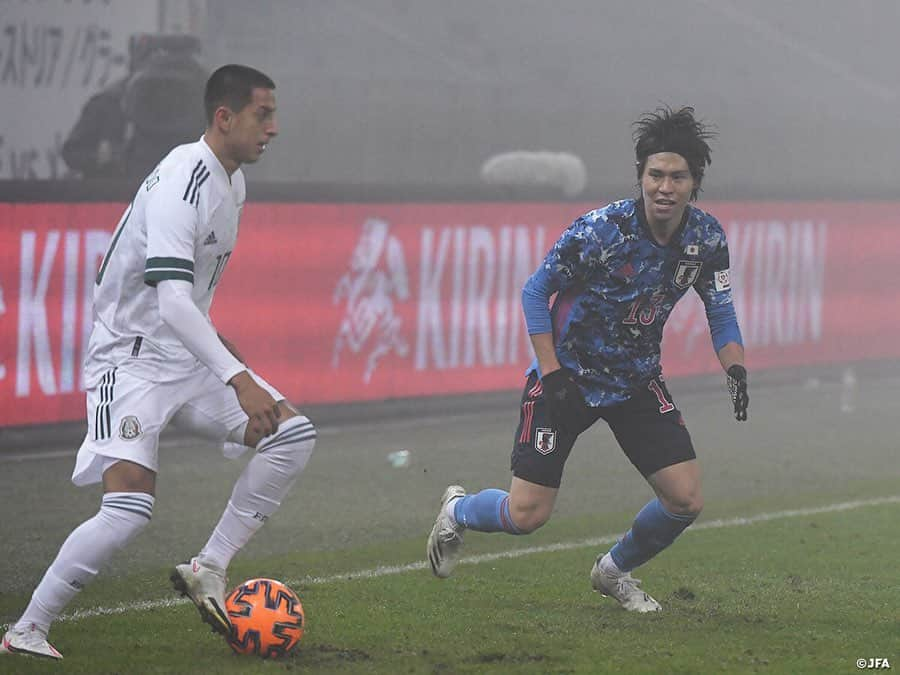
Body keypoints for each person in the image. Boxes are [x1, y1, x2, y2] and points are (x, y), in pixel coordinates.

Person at [2, 65, 316, 660]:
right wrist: (238, 376)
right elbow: (169, 298)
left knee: (292, 434)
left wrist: (224, 351)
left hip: (181, 354)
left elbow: (188, 297)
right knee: (127, 508)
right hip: (130, 361)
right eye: (262, 114)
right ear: (224, 118)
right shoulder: (181, 181)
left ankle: (209, 566)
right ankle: (26, 631)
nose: (273, 127)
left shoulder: (232, 181)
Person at [427, 106, 749, 613]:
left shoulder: (706, 240)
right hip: (567, 381)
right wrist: (550, 373)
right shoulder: (601, 230)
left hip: (636, 383)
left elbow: (722, 311)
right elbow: (536, 292)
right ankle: (457, 509)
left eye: (677, 176)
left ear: (694, 182)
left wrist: (735, 367)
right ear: (641, 176)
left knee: (685, 499)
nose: (665, 187)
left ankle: (614, 571)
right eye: (655, 175)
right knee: (528, 514)